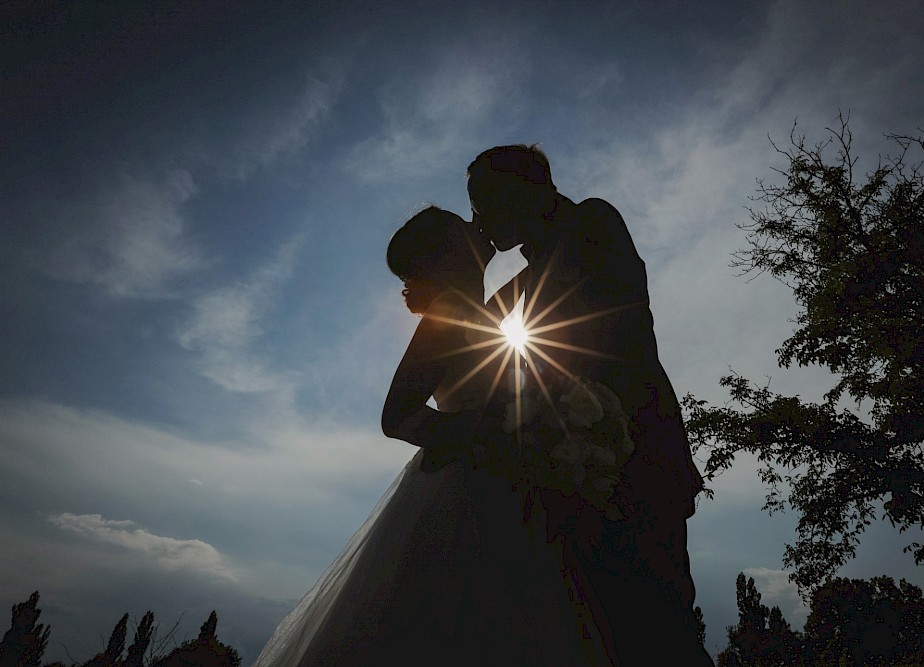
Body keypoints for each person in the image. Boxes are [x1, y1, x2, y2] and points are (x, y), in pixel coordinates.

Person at [252, 206, 608, 666]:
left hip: (504, 482)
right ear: (452, 252)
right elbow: (395, 416)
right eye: (465, 224)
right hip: (467, 489)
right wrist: (477, 435)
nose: (477, 224)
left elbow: (516, 292)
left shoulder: (475, 313)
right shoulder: (448, 315)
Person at [467, 144, 713, 665]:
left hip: (633, 456)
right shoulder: (540, 263)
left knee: (659, 632)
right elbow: (475, 325)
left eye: (484, 202)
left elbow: (591, 337)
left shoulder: (591, 223)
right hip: (584, 461)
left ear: (525, 188)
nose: (479, 219)